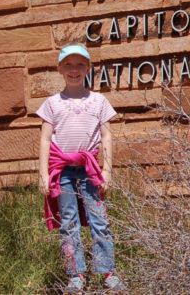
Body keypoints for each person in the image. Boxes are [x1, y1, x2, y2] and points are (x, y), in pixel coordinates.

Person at [37, 43, 125, 292]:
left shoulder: (98, 101)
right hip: (63, 172)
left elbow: (107, 137)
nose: (74, 70)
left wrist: (107, 170)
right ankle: (75, 275)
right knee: (68, 222)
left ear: (88, 68)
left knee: (100, 220)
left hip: (89, 172)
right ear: (60, 69)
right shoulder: (52, 103)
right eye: (68, 65)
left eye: (79, 65)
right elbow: (44, 139)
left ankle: (107, 271)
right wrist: (44, 173)